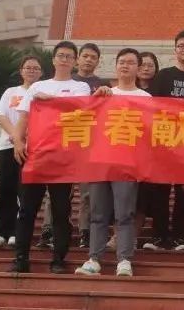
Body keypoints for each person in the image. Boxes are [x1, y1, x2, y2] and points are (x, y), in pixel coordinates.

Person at [8, 41, 90, 274]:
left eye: (69, 56)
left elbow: (79, 110)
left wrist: (50, 101)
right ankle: (21, 258)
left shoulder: (81, 87)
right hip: (35, 155)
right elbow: (23, 118)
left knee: (61, 211)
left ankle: (58, 260)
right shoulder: (37, 87)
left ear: (75, 61)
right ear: (53, 60)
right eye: (60, 55)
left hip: (64, 158)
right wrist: (18, 141)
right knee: (27, 209)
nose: (64, 59)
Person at [75, 48, 148, 277]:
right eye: (121, 61)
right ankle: (94, 259)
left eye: (130, 62)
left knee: (124, 214)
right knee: (98, 213)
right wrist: (95, 99)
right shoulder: (104, 93)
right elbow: (83, 119)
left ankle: (124, 259)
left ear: (138, 68)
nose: (125, 65)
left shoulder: (146, 99)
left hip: (127, 164)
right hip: (101, 161)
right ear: (116, 66)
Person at [144, 30, 184, 252]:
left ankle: (179, 237)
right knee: (159, 190)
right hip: (164, 140)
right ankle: (158, 236)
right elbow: (150, 107)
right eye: (181, 46)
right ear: (175, 49)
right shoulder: (163, 76)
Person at [0, 55, 43, 248]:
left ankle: (17, 232)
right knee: (5, 188)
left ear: (41, 73)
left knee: (24, 192)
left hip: (32, 148)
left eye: (36, 68)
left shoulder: (42, 93)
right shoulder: (11, 92)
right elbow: (1, 116)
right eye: (28, 67)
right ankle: (1, 232)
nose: (31, 71)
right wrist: (16, 135)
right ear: (21, 71)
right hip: (7, 145)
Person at [73, 42, 108, 248]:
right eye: (85, 56)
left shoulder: (103, 85)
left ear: (98, 61)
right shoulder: (66, 81)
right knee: (57, 191)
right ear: (78, 58)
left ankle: (85, 231)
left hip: (91, 144)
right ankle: (51, 230)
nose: (88, 60)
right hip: (67, 141)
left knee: (88, 192)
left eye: (93, 57)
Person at [133, 51, 159, 239]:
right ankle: (117, 236)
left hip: (152, 152)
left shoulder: (160, 92)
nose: (146, 68)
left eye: (150, 65)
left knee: (142, 196)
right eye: (142, 65)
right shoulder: (123, 90)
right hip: (127, 148)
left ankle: (134, 235)